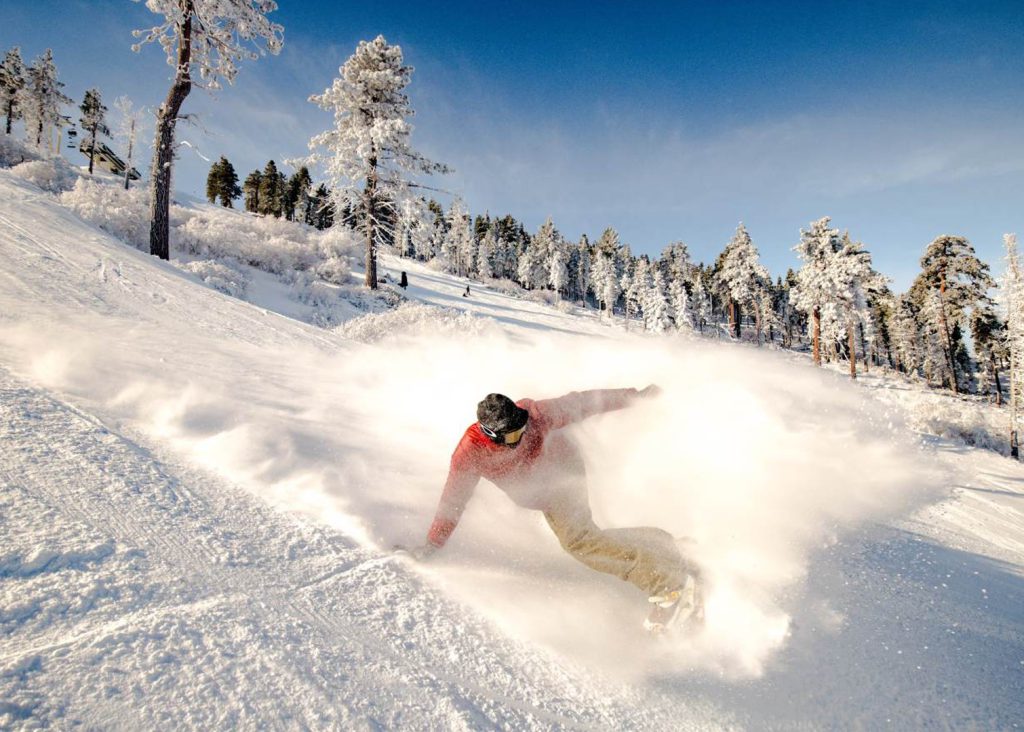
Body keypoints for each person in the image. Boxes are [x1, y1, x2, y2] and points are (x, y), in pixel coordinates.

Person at [417, 388, 702, 633]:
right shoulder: (469, 455)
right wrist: (433, 543)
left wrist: (635, 397)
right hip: (544, 496)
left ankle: (667, 586)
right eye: (515, 432)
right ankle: (667, 547)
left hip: (565, 475)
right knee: (589, 538)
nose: (523, 432)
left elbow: (582, 403)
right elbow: (452, 501)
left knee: (580, 542)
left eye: (522, 425)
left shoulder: (534, 416)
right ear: (492, 434)